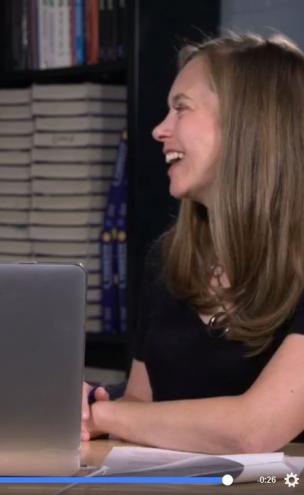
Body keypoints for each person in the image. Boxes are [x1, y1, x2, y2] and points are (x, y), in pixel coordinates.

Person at [81, 32, 304, 453]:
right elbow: (140, 407)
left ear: (247, 124)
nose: (159, 129)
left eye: (180, 108)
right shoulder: (167, 261)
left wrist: (103, 414)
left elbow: (254, 430)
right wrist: (86, 407)